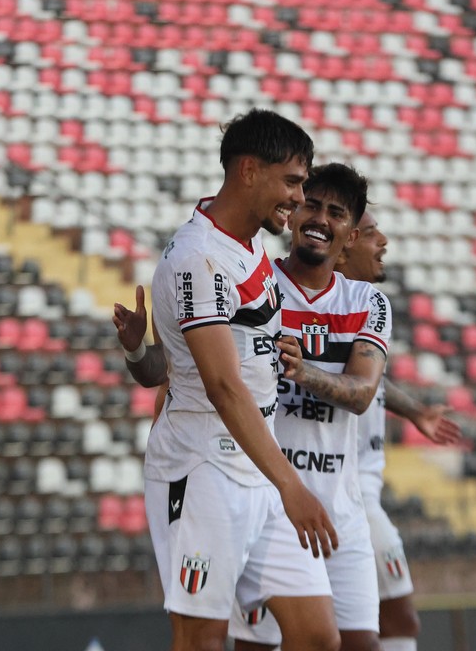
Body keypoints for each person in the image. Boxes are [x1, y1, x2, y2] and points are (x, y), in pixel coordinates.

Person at [115, 109, 340, 651]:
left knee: (317, 636)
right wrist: (292, 484)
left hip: (256, 465)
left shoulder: (246, 247)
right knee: (203, 639)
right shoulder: (197, 258)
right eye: (291, 181)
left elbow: (200, 362)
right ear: (248, 171)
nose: (299, 195)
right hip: (204, 468)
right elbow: (220, 385)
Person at [228, 163, 390, 651]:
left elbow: (362, 394)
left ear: (350, 233)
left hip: (340, 514)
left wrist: (304, 371)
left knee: (361, 644)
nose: (320, 218)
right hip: (265, 507)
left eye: (336, 213)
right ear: (294, 211)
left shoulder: (368, 301)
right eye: (312, 205)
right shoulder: (255, 285)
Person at [337, 211, 462, 651]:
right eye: (371, 233)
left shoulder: (361, 304)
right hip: (341, 493)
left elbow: (364, 375)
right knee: (390, 621)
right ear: (345, 242)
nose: (383, 241)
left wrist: (413, 411)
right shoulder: (321, 305)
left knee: (367, 626)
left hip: (360, 490)